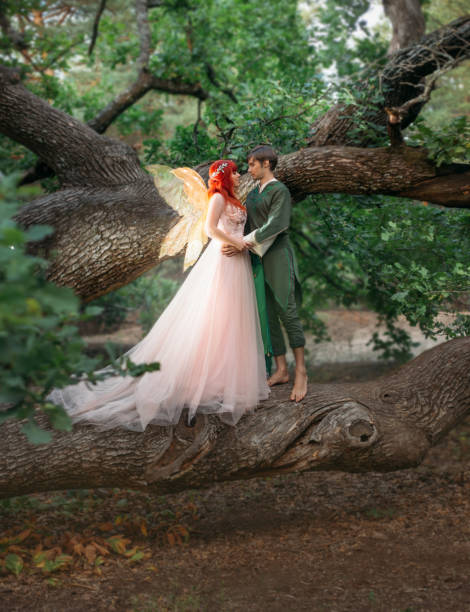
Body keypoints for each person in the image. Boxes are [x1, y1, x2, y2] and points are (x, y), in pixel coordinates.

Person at [47, 160, 270, 430]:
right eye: (234, 172)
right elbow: (211, 229)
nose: (238, 176)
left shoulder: (234, 199)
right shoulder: (218, 198)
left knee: (231, 318)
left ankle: (222, 380)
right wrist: (239, 243)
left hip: (237, 260)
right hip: (223, 259)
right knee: (214, 314)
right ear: (224, 176)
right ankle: (194, 382)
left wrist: (242, 245)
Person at [223, 145, 308, 402]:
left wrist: (244, 242)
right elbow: (247, 223)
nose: (249, 170)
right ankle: (281, 369)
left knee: (286, 310)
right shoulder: (253, 194)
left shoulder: (279, 190)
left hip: (278, 256)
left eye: (252, 165)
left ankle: (301, 371)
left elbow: (278, 224)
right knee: (267, 314)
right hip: (257, 257)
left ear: (267, 164)